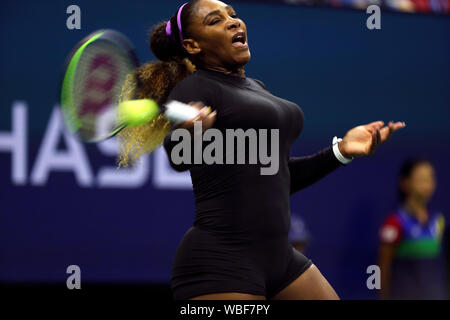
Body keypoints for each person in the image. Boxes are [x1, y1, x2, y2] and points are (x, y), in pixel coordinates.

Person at [117, 0, 405, 300]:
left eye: (233, 15)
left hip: (280, 259)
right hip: (221, 261)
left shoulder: (258, 88)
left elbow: (278, 176)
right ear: (192, 45)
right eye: (215, 20)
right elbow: (177, 157)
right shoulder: (195, 88)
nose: (233, 22)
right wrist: (191, 133)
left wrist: (341, 151)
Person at [378, 157, 446, 299]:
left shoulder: (438, 222)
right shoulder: (394, 224)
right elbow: (382, 269)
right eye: (421, 179)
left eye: (430, 178)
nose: (428, 184)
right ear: (405, 183)